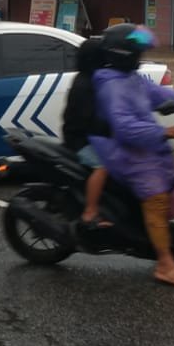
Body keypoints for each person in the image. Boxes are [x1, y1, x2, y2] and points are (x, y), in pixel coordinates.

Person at [91, 24, 174, 287]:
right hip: (123, 151)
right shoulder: (112, 86)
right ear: (123, 54)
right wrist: (166, 132)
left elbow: (158, 94)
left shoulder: (130, 78)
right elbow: (125, 127)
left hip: (143, 146)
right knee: (157, 197)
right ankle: (165, 264)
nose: (140, 57)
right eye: (137, 52)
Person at [61, 35, 109, 225]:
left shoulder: (90, 79)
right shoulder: (85, 85)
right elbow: (89, 120)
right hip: (79, 140)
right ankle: (90, 211)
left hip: (88, 136)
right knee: (103, 166)